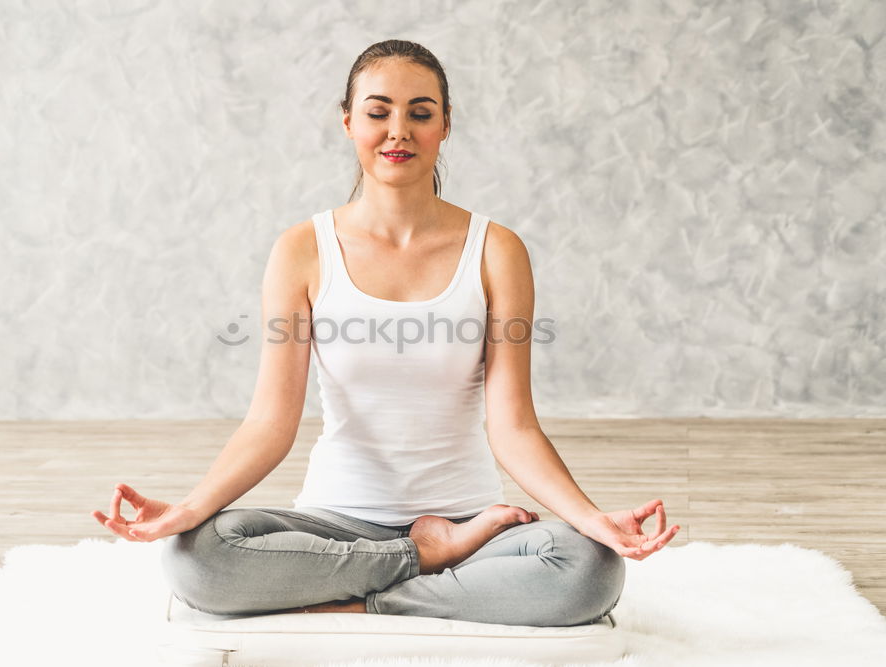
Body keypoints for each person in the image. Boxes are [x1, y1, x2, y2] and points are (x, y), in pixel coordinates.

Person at [91, 39, 679, 627]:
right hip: (336, 524)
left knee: (588, 568)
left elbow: (514, 424)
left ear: (445, 125)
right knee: (199, 557)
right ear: (349, 121)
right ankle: (422, 562)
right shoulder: (302, 250)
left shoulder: (497, 251)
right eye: (378, 112)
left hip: (471, 524)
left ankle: (364, 596)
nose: (398, 130)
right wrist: (190, 509)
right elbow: (271, 422)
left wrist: (590, 517)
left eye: (420, 113)